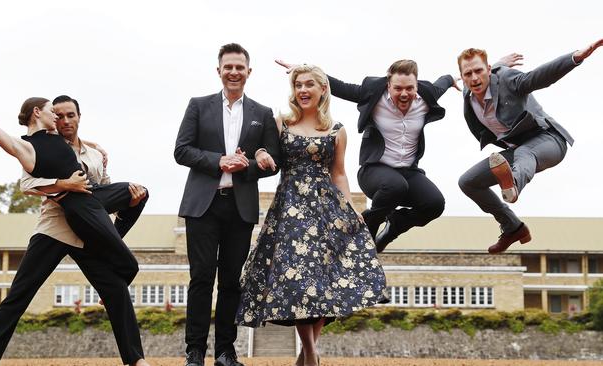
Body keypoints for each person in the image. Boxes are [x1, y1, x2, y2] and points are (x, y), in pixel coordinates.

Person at [0, 70, 149, 366]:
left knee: (116, 291)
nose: (63, 120)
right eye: (57, 115)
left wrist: (123, 188)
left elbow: (102, 187)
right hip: (55, 228)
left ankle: (135, 360)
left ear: (79, 117)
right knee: (20, 292)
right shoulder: (39, 145)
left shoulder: (94, 154)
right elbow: (27, 184)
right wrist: (64, 185)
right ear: (45, 116)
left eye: (70, 115)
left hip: (89, 229)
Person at [236, 64, 387, 366]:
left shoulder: (337, 130)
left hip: (326, 210)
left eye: (309, 84)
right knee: (299, 283)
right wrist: (260, 156)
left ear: (323, 89)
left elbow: (340, 174)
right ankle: (312, 353)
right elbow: (263, 153)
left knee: (322, 283)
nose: (302, 90)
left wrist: (350, 208)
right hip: (290, 209)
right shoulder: (280, 123)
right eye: (298, 85)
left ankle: (307, 352)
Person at [174, 43, 280, 366]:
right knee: (201, 278)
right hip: (202, 206)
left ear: (249, 72)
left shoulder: (263, 114)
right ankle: (195, 351)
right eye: (228, 66)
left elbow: (272, 163)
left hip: (240, 207)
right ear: (218, 70)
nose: (234, 72)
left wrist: (247, 165)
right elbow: (181, 150)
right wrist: (219, 161)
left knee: (232, 280)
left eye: (240, 67)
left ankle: (225, 351)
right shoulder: (198, 105)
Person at [276, 59, 455, 252]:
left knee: (435, 204)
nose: (404, 94)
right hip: (374, 171)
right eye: (398, 89)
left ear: (417, 86)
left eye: (409, 89)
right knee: (395, 186)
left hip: (408, 172)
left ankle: (393, 227)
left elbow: (441, 83)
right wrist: (309, 73)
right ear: (389, 86)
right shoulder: (373, 92)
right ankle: (364, 231)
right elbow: (343, 88)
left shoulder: (426, 96)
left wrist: (452, 78)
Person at [456, 38, 603, 254]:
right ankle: (513, 228)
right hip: (517, 150)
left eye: (479, 71)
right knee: (468, 182)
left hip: (549, 140)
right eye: (468, 74)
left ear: (488, 70)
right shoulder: (467, 94)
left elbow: (537, 78)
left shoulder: (507, 79)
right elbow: (482, 69)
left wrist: (575, 58)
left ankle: (513, 182)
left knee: (525, 152)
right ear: (462, 76)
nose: (474, 78)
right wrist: (499, 62)